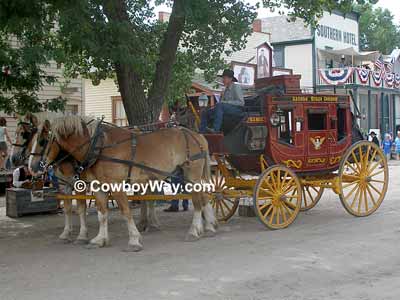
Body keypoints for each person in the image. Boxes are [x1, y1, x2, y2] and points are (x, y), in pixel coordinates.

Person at [199, 69, 244, 133]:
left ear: (230, 79)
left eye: (224, 78)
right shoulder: (225, 89)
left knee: (220, 106)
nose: (223, 80)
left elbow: (241, 102)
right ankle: (202, 132)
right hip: (225, 108)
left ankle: (215, 129)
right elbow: (221, 103)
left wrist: (225, 102)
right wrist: (221, 98)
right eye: (223, 78)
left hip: (237, 110)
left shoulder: (236, 87)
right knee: (205, 112)